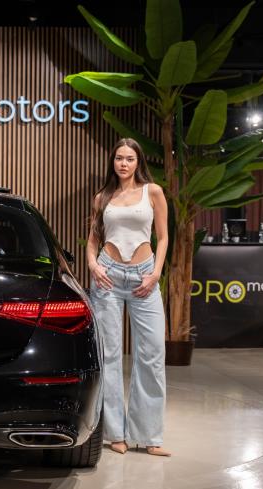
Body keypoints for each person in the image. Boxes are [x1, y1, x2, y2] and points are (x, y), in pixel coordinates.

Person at [86, 138, 171, 456]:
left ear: (138, 162)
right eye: (119, 158)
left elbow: (163, 237)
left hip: (144, 276)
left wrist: (156, 273)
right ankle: (115, 434)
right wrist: (93, 265)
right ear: (113, 161)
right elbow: (93, 240)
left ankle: (149, 436)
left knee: (152, 354)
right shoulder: (102, 197)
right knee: (109, 355)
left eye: (130, 158)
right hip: (107, 276)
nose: (123, 163)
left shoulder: (153, 192)